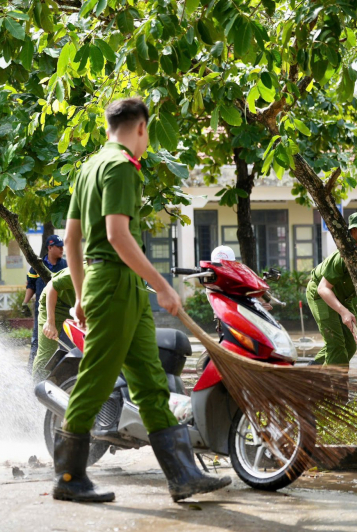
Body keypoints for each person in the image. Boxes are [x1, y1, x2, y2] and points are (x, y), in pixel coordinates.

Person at [60, 97, 230, 502]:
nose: (147, 140)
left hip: (114, 284)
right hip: (118, 282)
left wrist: (82, 295)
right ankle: (68, 478)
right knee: (96, 379)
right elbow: (118, 236)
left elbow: (71, 239)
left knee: (150, 382)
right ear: (140, 128)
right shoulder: (121, 167)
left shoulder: (88, 167)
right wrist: (163, 285)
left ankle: (183, 475)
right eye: (148, 133)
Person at [23, 235, 67, 371]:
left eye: (62, 246)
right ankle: (31, 371)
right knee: (38, 340)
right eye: (58, 247)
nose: (61, 249)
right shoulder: (37, 266)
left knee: (65, 341)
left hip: (63, 309)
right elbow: (30, 286)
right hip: (42, 310)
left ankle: (61, 371)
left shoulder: (65, 265)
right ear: (49, 247)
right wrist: (25, 303)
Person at [31, 268, 75, 384]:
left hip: (76, 308)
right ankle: (35, 392)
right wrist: (50, 322)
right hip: (55, 305)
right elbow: (52, 286)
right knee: (47, 354)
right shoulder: (83, 270)